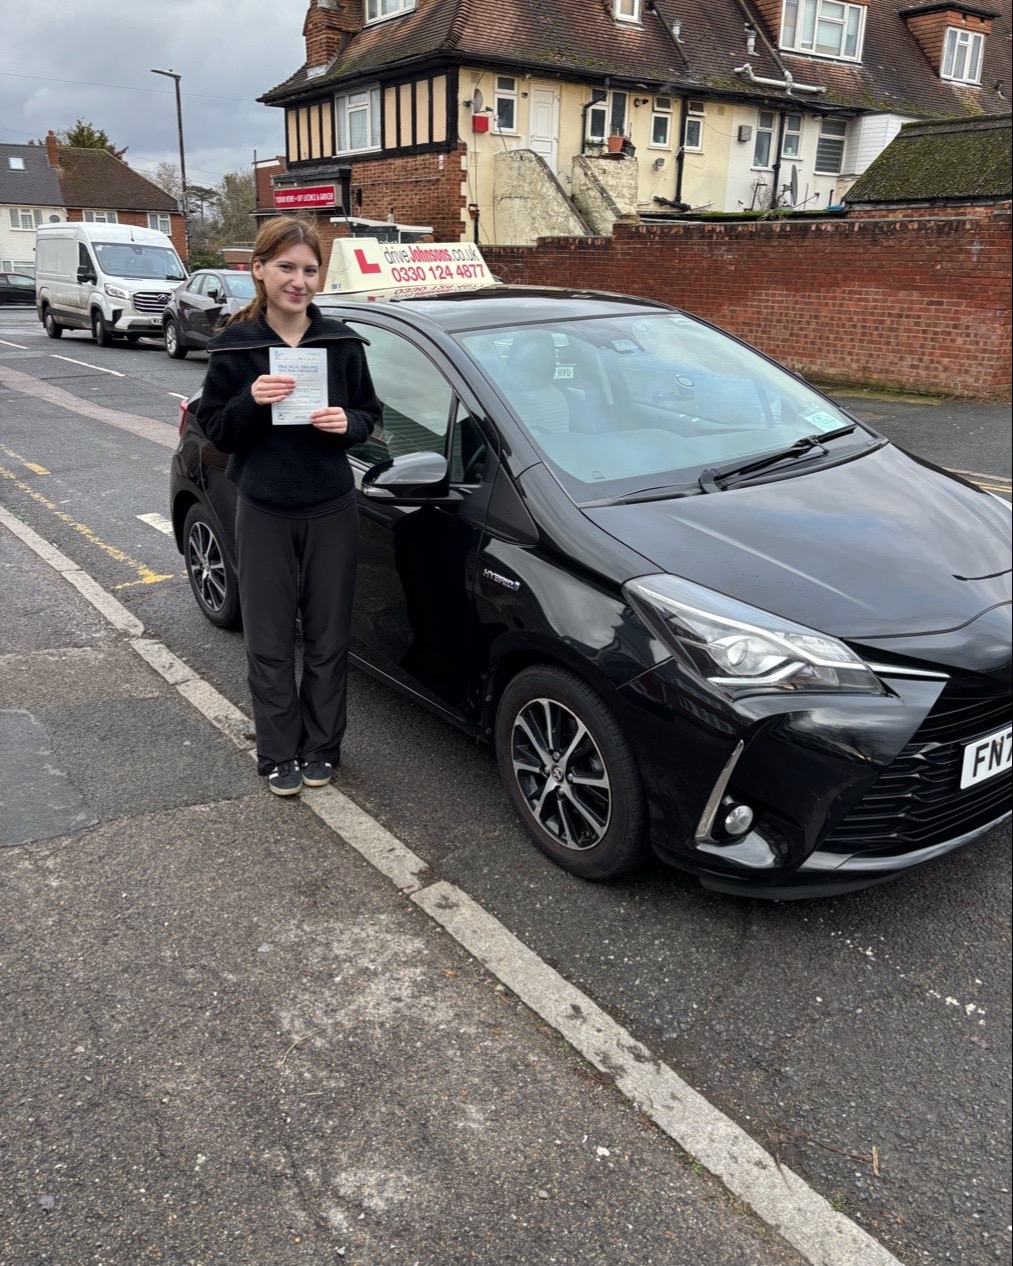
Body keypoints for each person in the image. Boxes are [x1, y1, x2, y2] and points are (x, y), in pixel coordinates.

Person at [197, 217, 381, 797]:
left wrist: (345, 423)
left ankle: (323, 746)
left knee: (327, 638)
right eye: (285, 267)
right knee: (270, 640)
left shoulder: (341, 343)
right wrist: (251, 400)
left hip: (330, 507)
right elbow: (220, 433)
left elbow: (371, 416)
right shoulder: (236, 347)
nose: (298, 281)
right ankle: (279, 753)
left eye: (308, 269)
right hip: (265, 509)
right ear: (258, 270)